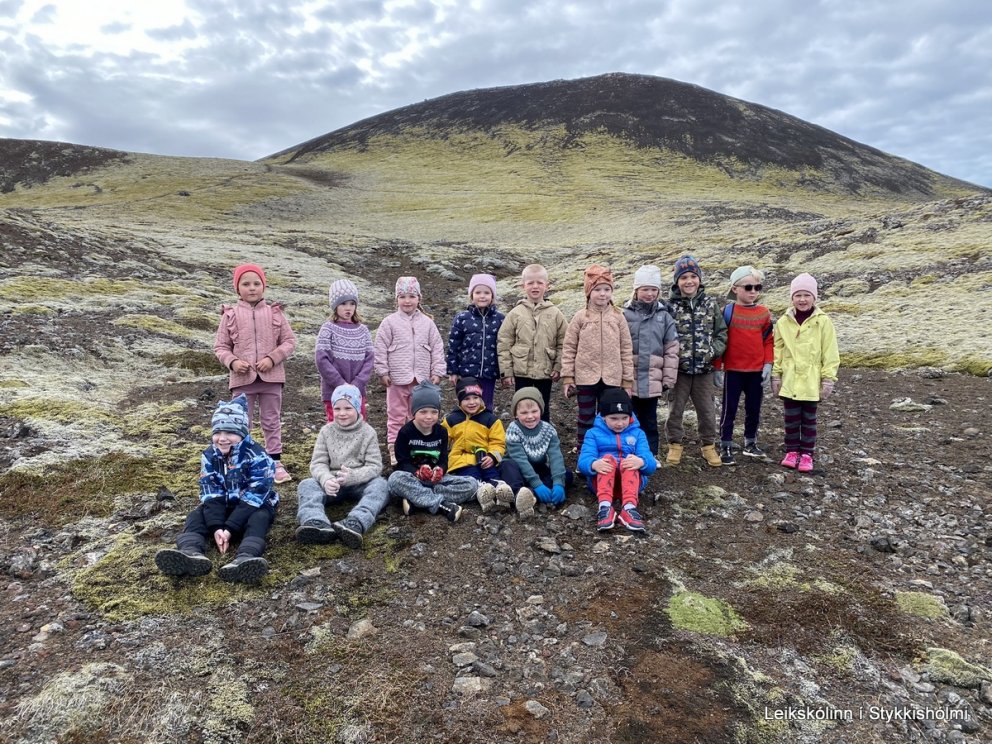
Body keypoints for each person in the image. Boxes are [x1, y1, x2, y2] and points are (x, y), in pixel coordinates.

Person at [155, 395, 278, 582]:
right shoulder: (209, 455)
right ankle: (190, 552)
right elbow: (210, 492)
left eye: (230, 432)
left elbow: (255, 496)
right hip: (224, 505)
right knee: (196, 515)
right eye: (217, 432)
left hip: (254, 505)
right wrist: (216, 527)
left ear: (243, 433)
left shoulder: (259, 457)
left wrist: (228, 528)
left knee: (259, 518)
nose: (222, 439)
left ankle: (245, 557)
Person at [213, 263, 297, 483]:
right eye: (246, 284)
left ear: (264, 286)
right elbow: (220, 347)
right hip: (241, 380)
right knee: (241, 423)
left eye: (257, 283)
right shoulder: (229, 315)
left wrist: (272, 358)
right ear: (237, 288)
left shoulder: (275, 313)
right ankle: (240, 461)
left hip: (272, 379)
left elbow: (289, 342)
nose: (252, 288)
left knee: (271, 421)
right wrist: (233, 362)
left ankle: (274, 462)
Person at [295, 384, 389, 549]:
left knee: (381, 485)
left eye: (348, 408)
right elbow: (318, 463)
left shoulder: (369, 433)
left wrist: (353, 476)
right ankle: (315, 522)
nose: (342, 413)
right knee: (306, 484)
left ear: (358, 408)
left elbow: (375, 466)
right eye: (337, 408)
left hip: (359, 482)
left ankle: (356, 522)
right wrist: (326, 480)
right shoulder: (326, 432)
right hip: (332, 484)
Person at [373, 276, 446, 466]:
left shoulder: (428, 323)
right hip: (396, 379)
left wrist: (437, 371)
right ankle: (394, 448)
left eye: (412, 296)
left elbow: (437, 347)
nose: (407, 301)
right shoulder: (389, 322)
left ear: (419, 299)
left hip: (421, 381)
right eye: (402, 296)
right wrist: (382, 372)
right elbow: (380, 348)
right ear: (396, 299)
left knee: (418, 415)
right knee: (396, 414)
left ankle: (417, 446)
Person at [771, 273, 839, 473]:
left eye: (806, 295)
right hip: (790, 379)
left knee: (809, 418)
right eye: (798, 295)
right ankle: (792, 451)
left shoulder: (823, 321)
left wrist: (828, 379)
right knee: (791, 418)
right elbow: (777, 350)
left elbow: (830, 351)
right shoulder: (783, 321)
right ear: (792, 298)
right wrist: (776, 375)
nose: (802, 299)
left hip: (812, 379)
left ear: (814, 298)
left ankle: (807, 453)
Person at [561, 264, 634, 450]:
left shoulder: (618, 317)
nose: (603, 294)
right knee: (585, 417)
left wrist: (627, 381)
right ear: (588, 292)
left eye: (607, 289)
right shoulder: (579, 317)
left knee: (608, 417)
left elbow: (626, 349)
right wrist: (568, 377)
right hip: (585, 378)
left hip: (612, 378)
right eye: (598, 290)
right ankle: (584, 450)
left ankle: (605, 451)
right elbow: (569, 348)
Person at [664, 255, 727, 468]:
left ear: (699, 279)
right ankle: (674, 444)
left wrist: (712, 352)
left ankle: (708, 445)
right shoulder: (669, 306)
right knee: (675, 409)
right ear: (676, 281)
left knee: (707, 410)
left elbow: (722, 333)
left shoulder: (710, 304)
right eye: (684, 277)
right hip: (678, 371)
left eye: (693, 276)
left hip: (704, 370)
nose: (689, 281)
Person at [387, 382, 478, 521]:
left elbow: (443, 460)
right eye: (423, 412)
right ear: (413, 412)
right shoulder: (405, 432)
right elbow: (402, 462)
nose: (429, 416)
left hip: (435, 481)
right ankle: (441, 505)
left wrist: (440, 470)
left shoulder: (441, 432)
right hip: (412, 479)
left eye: (434, 412)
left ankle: (416, 499)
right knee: (394, 479)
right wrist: (416, 472)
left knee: (471, 484)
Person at [715, 266, 775, 464]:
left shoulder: (764, 314)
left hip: (756, 371)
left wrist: (768, 364)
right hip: (733, 371)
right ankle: (725, 443)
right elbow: (720, 341)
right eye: (748, 287)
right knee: (729, 409)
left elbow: (768, 340)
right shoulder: (727, 312)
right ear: (735, 288)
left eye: (758, 287)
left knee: (754, 408)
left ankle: (750, 442)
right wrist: (717, 367)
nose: (753, 292)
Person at [577, 388, 657, 533]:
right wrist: (594, 464)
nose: (619, 423)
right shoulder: (593, 434)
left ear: (630, 417)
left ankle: (629, 508)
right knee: (607, 459)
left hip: (632, 483)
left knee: (631, 460)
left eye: (624, 418)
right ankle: (605, 507)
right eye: (614, 418)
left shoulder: (638, 434)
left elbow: (651, 464)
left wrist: (641, 462)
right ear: (603, 417)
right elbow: (583, 460)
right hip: (602, 483)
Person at [497, 264, 567, 423]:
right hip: (521, 372)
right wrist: (506, 372)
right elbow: (504, 342)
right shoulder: (515, 313)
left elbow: (564, 342)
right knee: (522, 406)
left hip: (546, 371)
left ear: (547, 286)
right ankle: (521, 440)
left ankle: (545, 440)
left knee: (543, 407)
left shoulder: (556, 313)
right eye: (530, 283)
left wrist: (558, 367)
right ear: (523, 286)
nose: (535, 287)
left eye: (540, 283)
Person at [622, 264, 680, 456]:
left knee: (649, 420)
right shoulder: (624, 315)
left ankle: (650, 454)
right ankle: (628, 453)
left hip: (653, 379)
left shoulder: (664, 317)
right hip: (629, 378)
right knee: (628, 419)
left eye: (653, 289)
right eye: (645, 289)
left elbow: (671, 349)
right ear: (636, 290)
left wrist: (668, 378)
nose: (649, 294)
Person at [443, 376, 514, 513]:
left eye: (475, 398)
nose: (472, 402)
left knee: (491, 472)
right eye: (466, 399)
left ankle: (500, 490)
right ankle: (483, 493)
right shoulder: (452, 419)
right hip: (462, 461)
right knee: (472, 476)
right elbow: (441, 439)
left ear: (481, 398)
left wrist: (493, 456)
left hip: (484, 458)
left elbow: (499, 442)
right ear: (459, 401)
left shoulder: (490, 419)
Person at [502, 387, 574, 519]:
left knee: (567, 475)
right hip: (518, 468)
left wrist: (558, 482)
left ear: (541, 410)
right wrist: (537, 483)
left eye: (534, 411)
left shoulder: (548, 430)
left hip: (538, 467)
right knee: (508, 466)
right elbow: (519, 459)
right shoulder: (514, 429)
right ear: (516, 414)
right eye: (524, 413)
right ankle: (519, 493)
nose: (530, 416)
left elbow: (555, 456)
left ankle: (531, 495)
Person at [315, 278, 374, 422]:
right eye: (343, 303)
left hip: (357, 392)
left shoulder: (363, 330)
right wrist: (340, 384)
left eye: (352, 303)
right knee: (336, 426)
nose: (348, 308)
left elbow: (369, 360)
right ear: (335, 305)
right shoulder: (328, 328)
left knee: (359, 425)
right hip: (333, 391)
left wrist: (357, 384)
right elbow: (321, 360)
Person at [447, 273, 505, 411]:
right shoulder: (462, 318)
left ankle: (486, 431)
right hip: (467, 373)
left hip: (489, 373)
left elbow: (504, 347)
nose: (482, 296)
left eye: (487, 292)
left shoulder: (500, 319)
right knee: (468, 405)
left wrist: (504, 373)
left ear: (493, 296)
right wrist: (453, 371)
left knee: (486, 406)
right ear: (471, 295)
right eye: (478, 292)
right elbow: (453, 346)